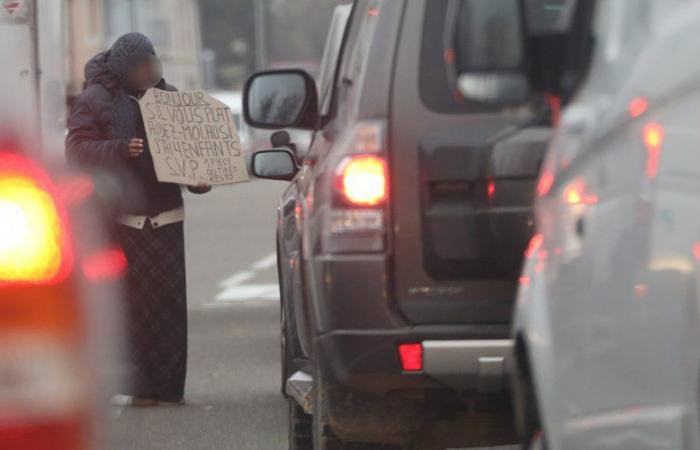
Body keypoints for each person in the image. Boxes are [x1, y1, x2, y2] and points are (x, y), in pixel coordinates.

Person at [66, 33, 209, 406]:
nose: (147, 72)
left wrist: (199, 181)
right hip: (123, 222)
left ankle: (167, 388)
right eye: (139, 65)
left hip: (168, 219)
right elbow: (76, 149)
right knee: (133, 307)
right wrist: (119, 148)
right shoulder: (95, 99)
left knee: (169, 306)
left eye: (151, 64)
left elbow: (189, 155)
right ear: (123, 66)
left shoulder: (170, 98)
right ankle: (140, 388)